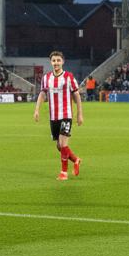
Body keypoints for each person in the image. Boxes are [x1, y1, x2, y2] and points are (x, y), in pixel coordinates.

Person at [34, 51, 84, 180]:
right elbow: (42, 93)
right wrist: (37, 109)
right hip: (53, 117)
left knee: (63, 143)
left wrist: (79, 114)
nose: (56, 63)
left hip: (66, 115)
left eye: (58, 60)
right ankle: (75, 159)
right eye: (53, 60)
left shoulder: (68, 76)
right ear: (51, 62)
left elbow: (76, 95)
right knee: (59, 146)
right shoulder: (46, 78)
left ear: (63, 62)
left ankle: (64, 173)